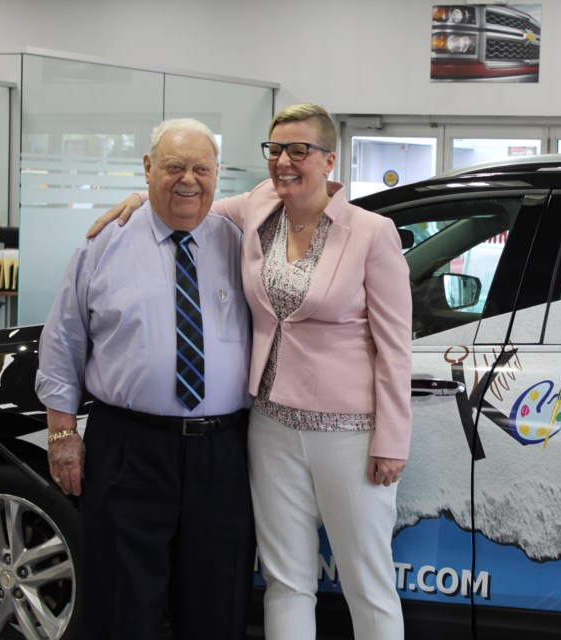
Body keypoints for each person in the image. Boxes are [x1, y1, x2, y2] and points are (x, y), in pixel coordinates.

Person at [91, 104, 413, 640]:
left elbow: (394, 347)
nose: (285, 162)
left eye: (299, 150)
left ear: (330, 159)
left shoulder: (372, 233)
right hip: (269, 427)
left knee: (368, 583)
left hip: (348, 433)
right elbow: (188, 203)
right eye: (276, 149)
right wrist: (138, 201)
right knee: (287, 582)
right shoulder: (260, 206)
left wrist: (392, 439)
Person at [36, 118, 254, 640]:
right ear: (147, 168)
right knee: (120, 608)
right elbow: (64, 340)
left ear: (217, 174)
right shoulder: (104, 243)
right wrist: (62, 432)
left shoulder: (240, 244)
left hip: (222, 455)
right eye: (174, 166)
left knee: (216, 608)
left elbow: (298, 183)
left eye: (202, 168)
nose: (189, 180)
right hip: (128, 451)